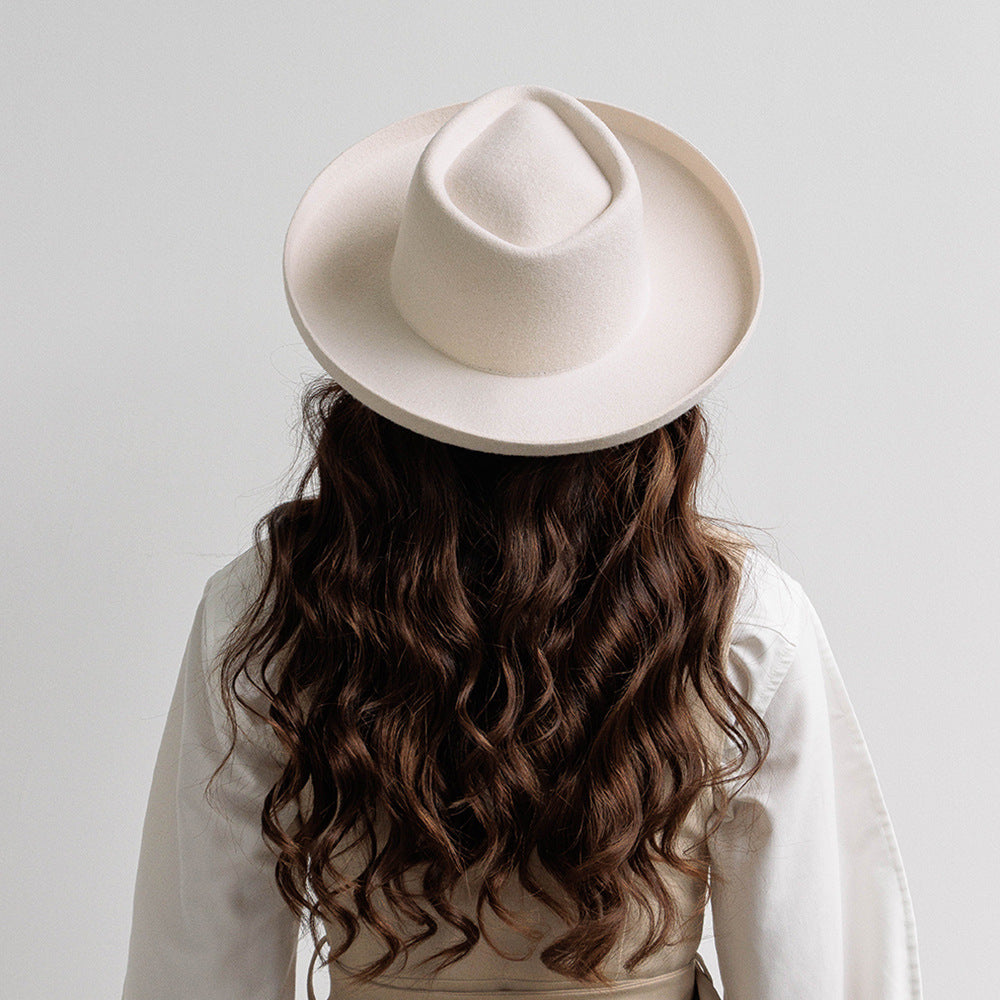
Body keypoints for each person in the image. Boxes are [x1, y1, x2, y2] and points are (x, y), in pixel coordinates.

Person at [120, 84, 922, 999]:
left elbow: (193, 966)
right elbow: (818, 969)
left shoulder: (267, 610)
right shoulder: (744, 623)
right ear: (646, 391)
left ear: (376, 380)